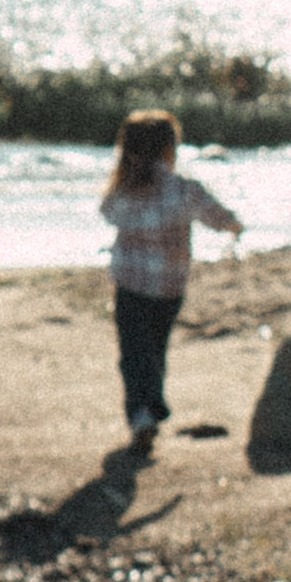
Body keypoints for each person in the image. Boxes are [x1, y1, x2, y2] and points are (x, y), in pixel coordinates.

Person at [98, 107, 241, 453]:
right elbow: (215, 215)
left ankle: (143, 414)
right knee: (156, 346)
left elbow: (107, 213)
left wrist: (125, 180)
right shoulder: (183, 190)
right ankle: (153, 401)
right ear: (169, 150)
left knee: (134, 352)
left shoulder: (126, 191)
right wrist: (234, 225)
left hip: (132, 284)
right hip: (170, 287)